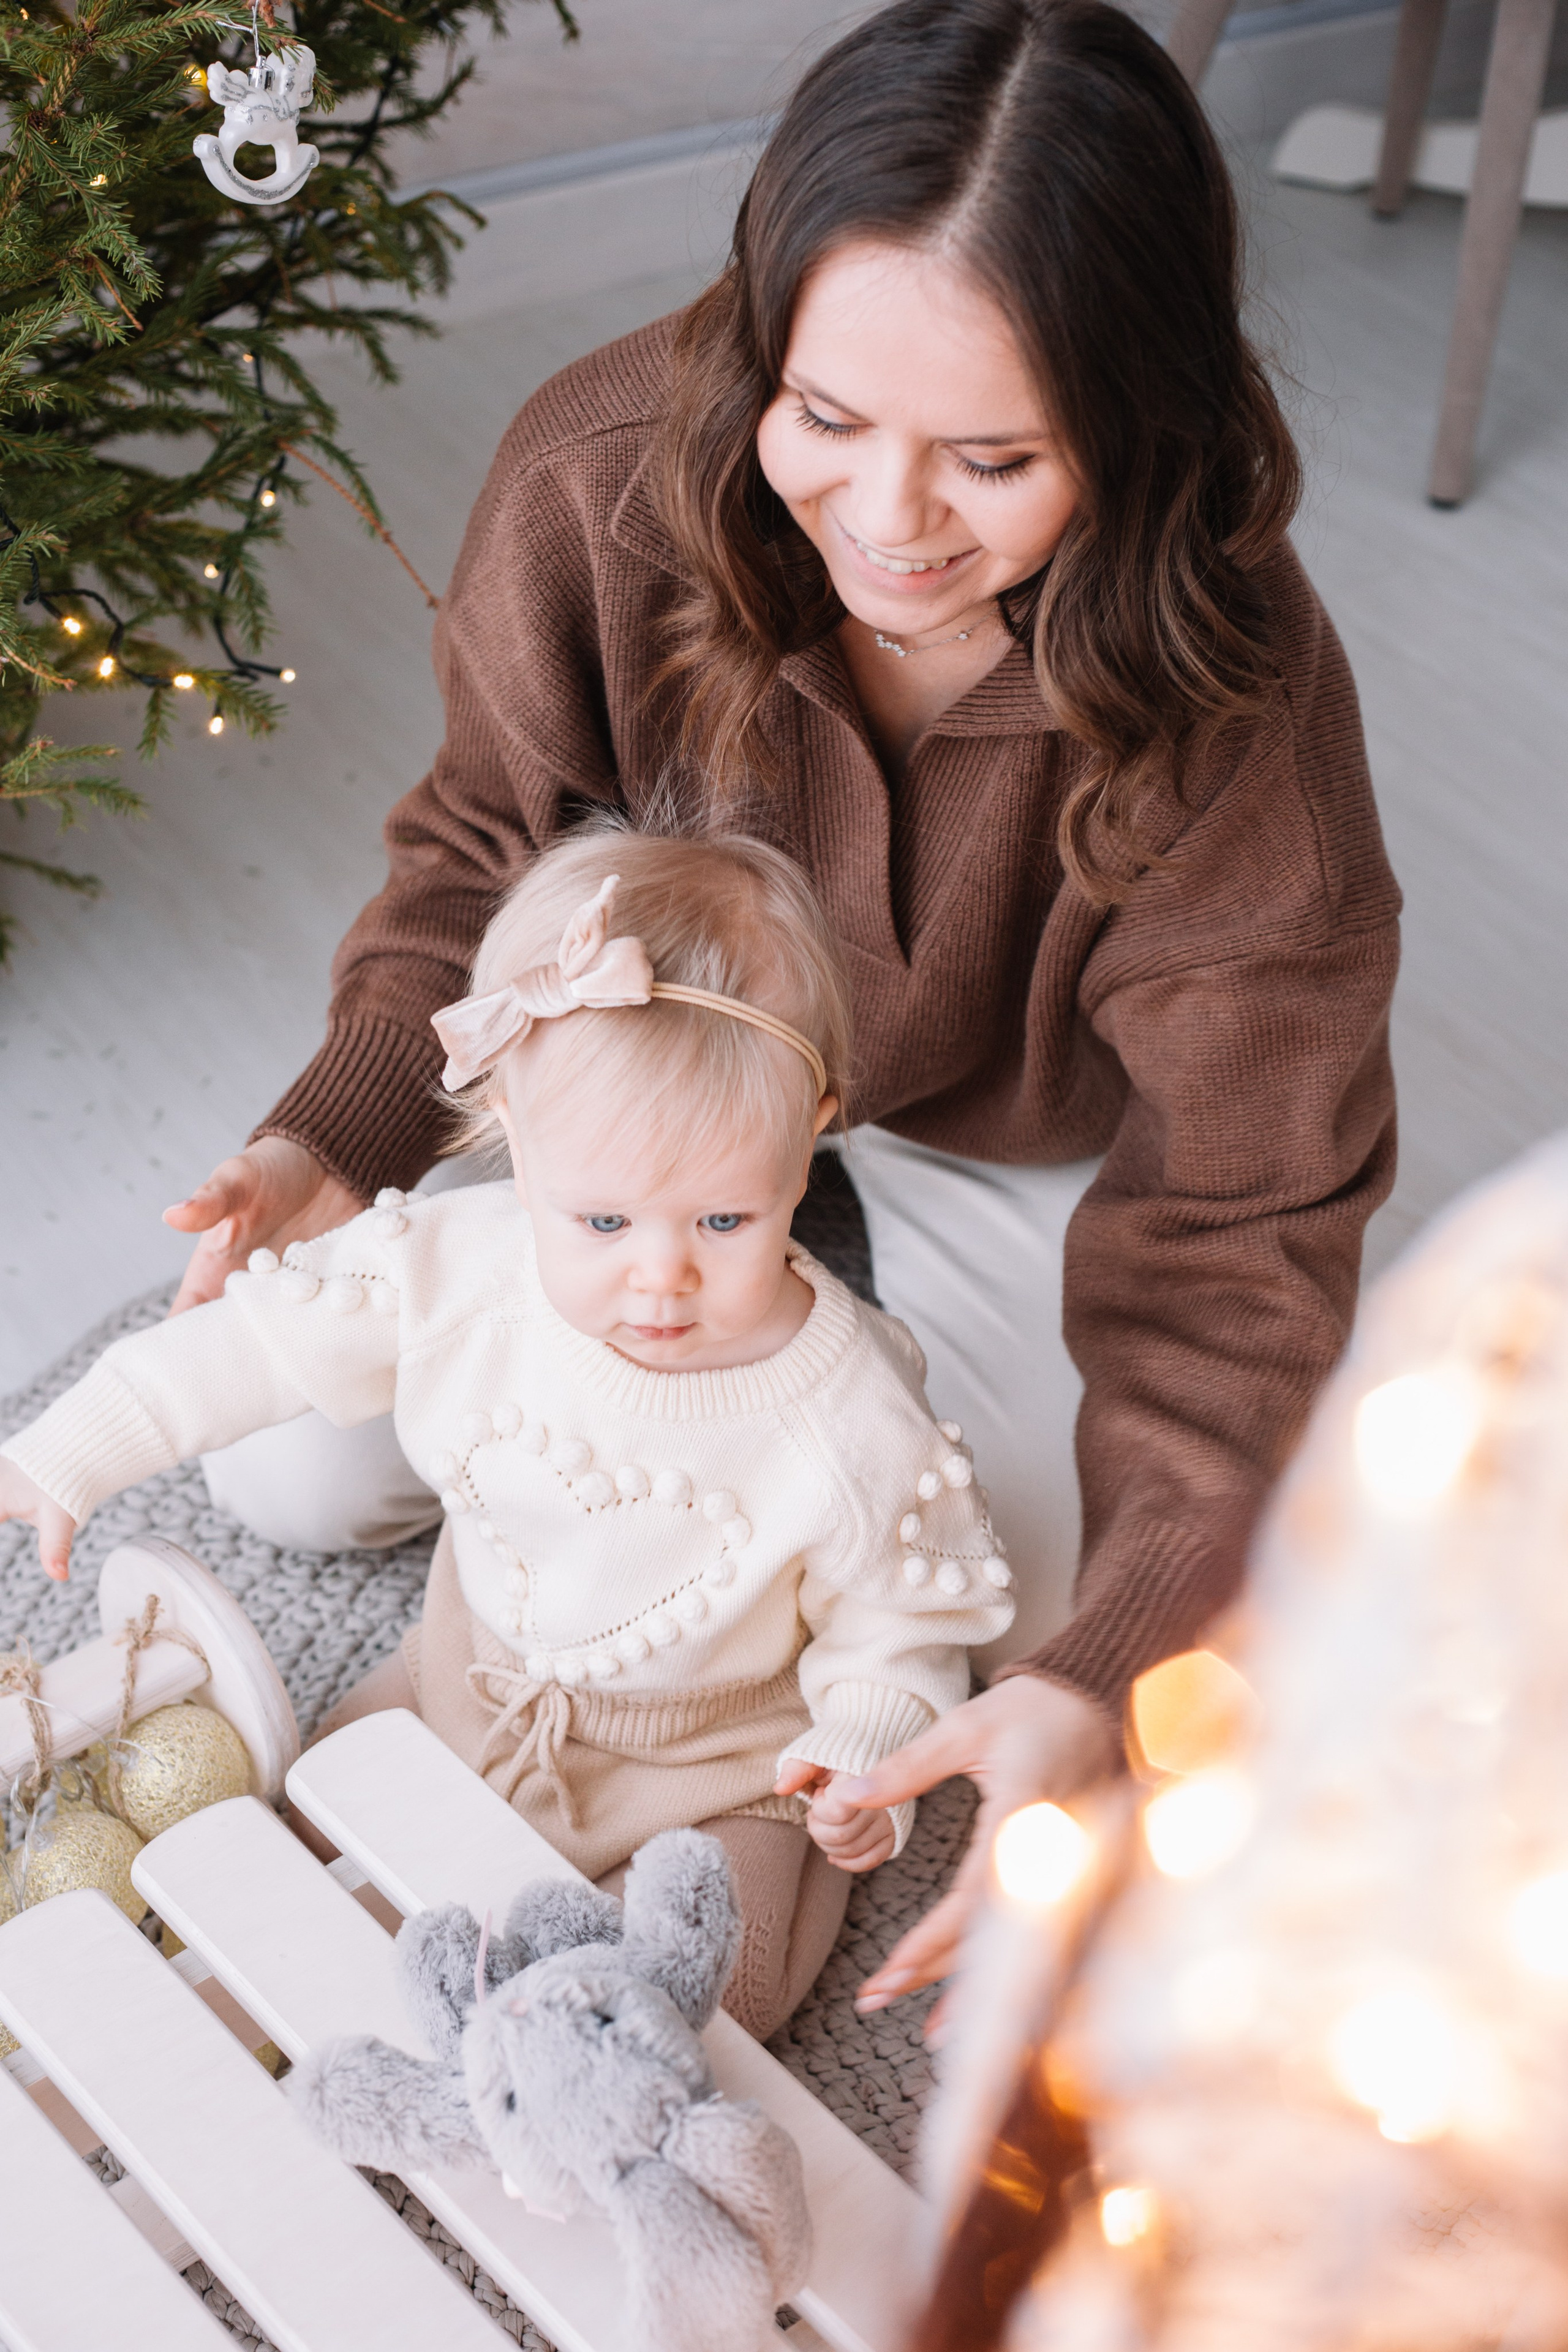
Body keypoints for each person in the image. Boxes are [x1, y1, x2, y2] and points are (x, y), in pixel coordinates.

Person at [150, 0, 1401, 2011]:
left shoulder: (1235, 699)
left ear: (1137, 424)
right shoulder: (595, 470)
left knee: (1019, 1603)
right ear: (761, 334)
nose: (890, 519)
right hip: (655, 1061)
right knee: (282, 1462)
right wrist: (342, 1131)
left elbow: (1243, 1235)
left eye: (994, 458)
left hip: (995, 1139)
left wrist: (1101, 1679)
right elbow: (480, 849)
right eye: (827, 420)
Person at [0, 831, 1017, 2040]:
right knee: (289, 1860)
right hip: (463, 1681)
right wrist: (79, 1446)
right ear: (510, 1138)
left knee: (704, 2000)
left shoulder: (849, 1413)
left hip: (712, 1771)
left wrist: (863, 1748)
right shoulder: (460, 1269)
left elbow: (907, 1619)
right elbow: (260, 1340)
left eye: (723, 1218)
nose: (660, 1277)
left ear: (815, 1132)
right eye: (599, 1218)